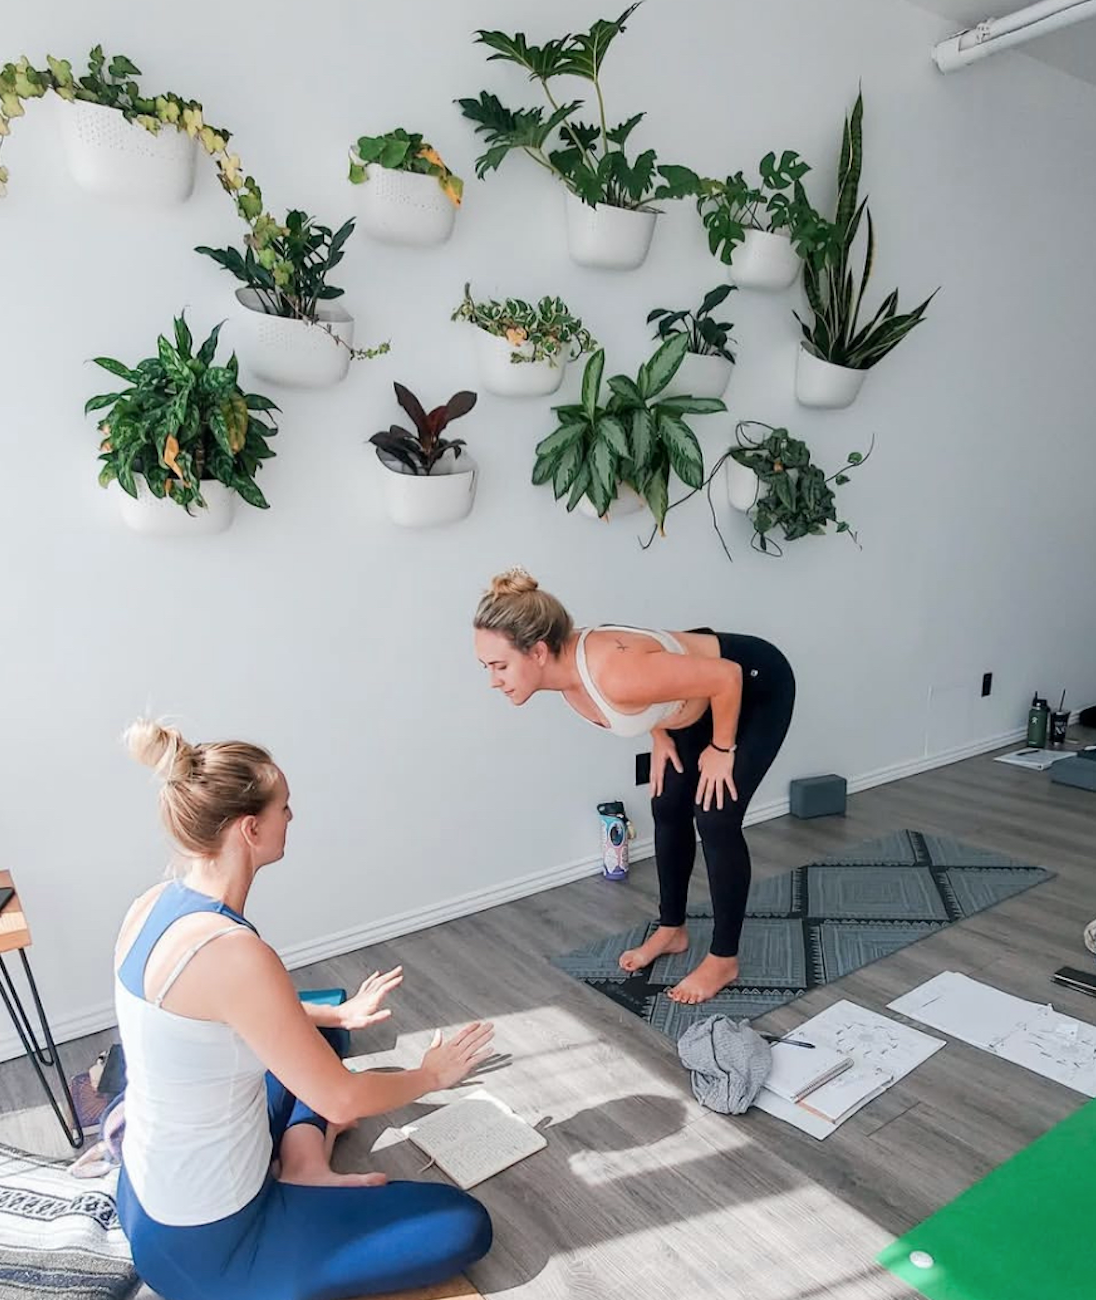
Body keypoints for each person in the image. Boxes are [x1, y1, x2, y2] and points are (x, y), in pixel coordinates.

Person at [113, 720, 494, 1300]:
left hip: (144, 1196)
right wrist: (430, 1075)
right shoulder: (233, 953)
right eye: (284, 807)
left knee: (328, 1024)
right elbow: (338, 1098)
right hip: (209, 1246)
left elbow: (211, 1019)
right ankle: (299, 1180)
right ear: (250, 828)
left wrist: (337, 1020)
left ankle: (304, 1162)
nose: (292, 816)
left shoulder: (151, 905)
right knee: (462, 1223)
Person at [474, 570, 795, 1005]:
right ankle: (672, 929)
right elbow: (658, 686)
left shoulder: (615, 672)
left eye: (500, 666)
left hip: (752, 682)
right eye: (487, 667)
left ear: (538, 652)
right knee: (667, 804)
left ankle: (723, 958)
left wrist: (723, 748)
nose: (494, 680)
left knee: (716, 816)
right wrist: (659, 733)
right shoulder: (568, 673)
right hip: (692, 701)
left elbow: (726, 678)